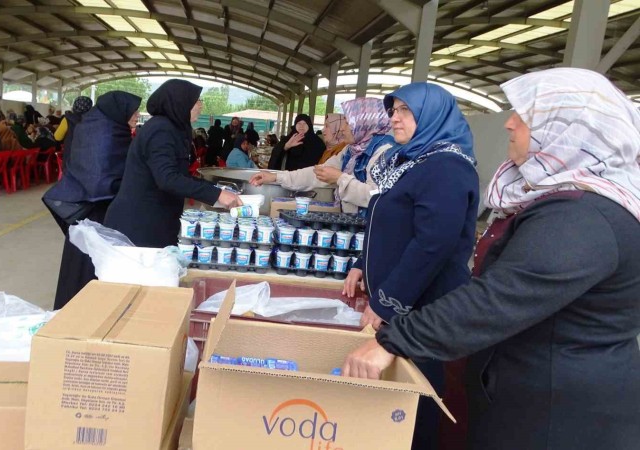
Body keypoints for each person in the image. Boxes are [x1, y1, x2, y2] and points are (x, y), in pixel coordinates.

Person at [343, 68, 640, 450]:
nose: (509, 124)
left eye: (524, 116)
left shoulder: (584, 218)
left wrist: (395, 339)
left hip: (557, 416)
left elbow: (498, 297)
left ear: (569, 129)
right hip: (528, 395)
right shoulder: (562, 202)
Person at [343, 83, 479, 450]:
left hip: (424, 307)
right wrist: (361, 263)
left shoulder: (447, 167)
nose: (394, 118)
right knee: (393, 401)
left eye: (406, 110)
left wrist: (387, 301)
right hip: (402, 302)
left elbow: (433, 244)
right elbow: (389, 224)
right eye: (393, 110)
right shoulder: (408, 161)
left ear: (432, 116)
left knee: (414, 401)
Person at [105, 79, 242, 249]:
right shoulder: (160, 130)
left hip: (154, 221)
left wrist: (217, 190)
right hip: (139, 225)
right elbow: (167, 178)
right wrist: (216, 194)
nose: (200, 105)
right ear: (180, 103)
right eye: (196, 101)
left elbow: (181, 176)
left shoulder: (173, 128)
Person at [43, 91, 143, 310]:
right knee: (89, 263)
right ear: (119, 111)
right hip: (95, 209)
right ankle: (84, 311)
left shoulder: (99, 126)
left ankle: (81, 308)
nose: (137, 115)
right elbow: (99, 176)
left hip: (88, 208)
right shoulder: (106, 133)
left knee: (82, 262)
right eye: (133, 111)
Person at [251, 98, 394, 214]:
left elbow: (376, 196)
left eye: (347, 123)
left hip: (369, 229)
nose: (342, 129)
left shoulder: (384, 152)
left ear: (364, 123)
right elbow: (317, 173)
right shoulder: (351, 151)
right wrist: (276, 177)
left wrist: (340, 178)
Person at [54, 96, 93, 163]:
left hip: (70, 159)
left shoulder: (67, 120)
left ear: (75, 106)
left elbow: (57, 137)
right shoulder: (93, 120)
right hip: (88, 159)